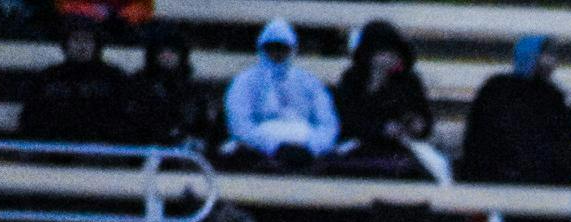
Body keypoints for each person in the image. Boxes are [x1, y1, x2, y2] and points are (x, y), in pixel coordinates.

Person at [460, 35, 571, 187]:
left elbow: (563, 144)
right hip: (498, 175)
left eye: (553, 55)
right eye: (546, 54)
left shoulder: (553, 96)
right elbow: (481, 138)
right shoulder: (497, 90)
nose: (552, 62)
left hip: (542, 179)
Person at [219, 18, 337, 173]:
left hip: (305, 147)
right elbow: (239, 123)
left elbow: (327, 123)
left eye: (283, 48)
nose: (277, 53)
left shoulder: (309, 82)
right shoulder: (245, 81)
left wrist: (312, 147)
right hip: (259, 150)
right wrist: (273, 146)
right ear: (262, 48)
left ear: (292, 49)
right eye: (272, 48)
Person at [329, 18, 437, 180]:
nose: (388, 57)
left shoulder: (409, 80)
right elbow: (347, 120)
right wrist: (380, 128)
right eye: (382, 52)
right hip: (360, 145)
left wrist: (417, 125)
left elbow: (424, 119)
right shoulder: (352, 79)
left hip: (403, 146)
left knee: (432, 168)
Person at [19, 19, 133, 145]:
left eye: (88, 40)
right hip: (55, 146)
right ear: (66, 44)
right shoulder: (48, 77)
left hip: (101, 146)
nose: (82, 46)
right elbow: (31, 115)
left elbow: (123, 117)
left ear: (96, 45)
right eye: (76, 40)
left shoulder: (114, 77)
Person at [127, 20, 215, 149]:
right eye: (162, 51)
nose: (167, 56)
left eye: (173, 51)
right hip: (144, 147)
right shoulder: (138, 83)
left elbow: (201, 123)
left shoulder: (193, 88)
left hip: (183, 149)